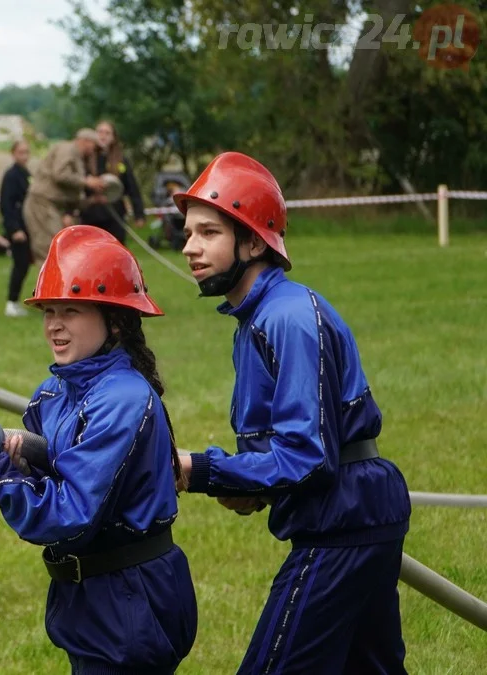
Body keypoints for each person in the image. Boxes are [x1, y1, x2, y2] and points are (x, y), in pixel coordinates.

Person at [0, 225, 197, 674]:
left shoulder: (123, 399)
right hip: (91, 603)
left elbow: (69, 519)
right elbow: (43, 476)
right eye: (49, 310)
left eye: (70, 310)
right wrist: (1, 449)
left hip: (132, 606)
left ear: (116, 320)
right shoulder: (52, 394)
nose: (54, 324)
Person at [174, 151, 411, 674]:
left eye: (208, 232)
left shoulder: (287, 318)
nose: (189, 247)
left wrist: (200, 469)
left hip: (341, 523)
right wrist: (252, 485)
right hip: (353, 513)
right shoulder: (254, 318)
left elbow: (307, 458)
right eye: (188, 232)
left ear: (254, 241)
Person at [22, 129, 106, 266]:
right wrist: (86, 181)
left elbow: (69, 193)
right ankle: (50, 285)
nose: (94, 151)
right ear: (85, 141)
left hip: (52, 206)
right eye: (94, 146)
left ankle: (57, 285)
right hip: (42, 203)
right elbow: (60, 174)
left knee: (60, 250)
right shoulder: (67, 150)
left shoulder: (77, 157)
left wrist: (91, 200)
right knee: (49, 250)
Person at [79, 121, 146, 244]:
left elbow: (132, 187)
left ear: (113, 137)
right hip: (91, 214)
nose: (103, 136)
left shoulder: (121, 160)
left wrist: (139, 214)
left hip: (115, 214)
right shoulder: (85, 158)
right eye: (100, 132)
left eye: (107, 133)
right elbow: (75, 184)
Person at [0, 139, 33, 317]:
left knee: (25, 264)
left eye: (27, 152)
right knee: (20, 264)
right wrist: (14, 229)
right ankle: (11, 302)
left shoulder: (26, 173)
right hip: (17, 228)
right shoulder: (11, 176)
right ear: (13, 154)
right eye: (21, 152)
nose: (25, 156)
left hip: (27, 226)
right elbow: (6, 205)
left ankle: (16, 301)